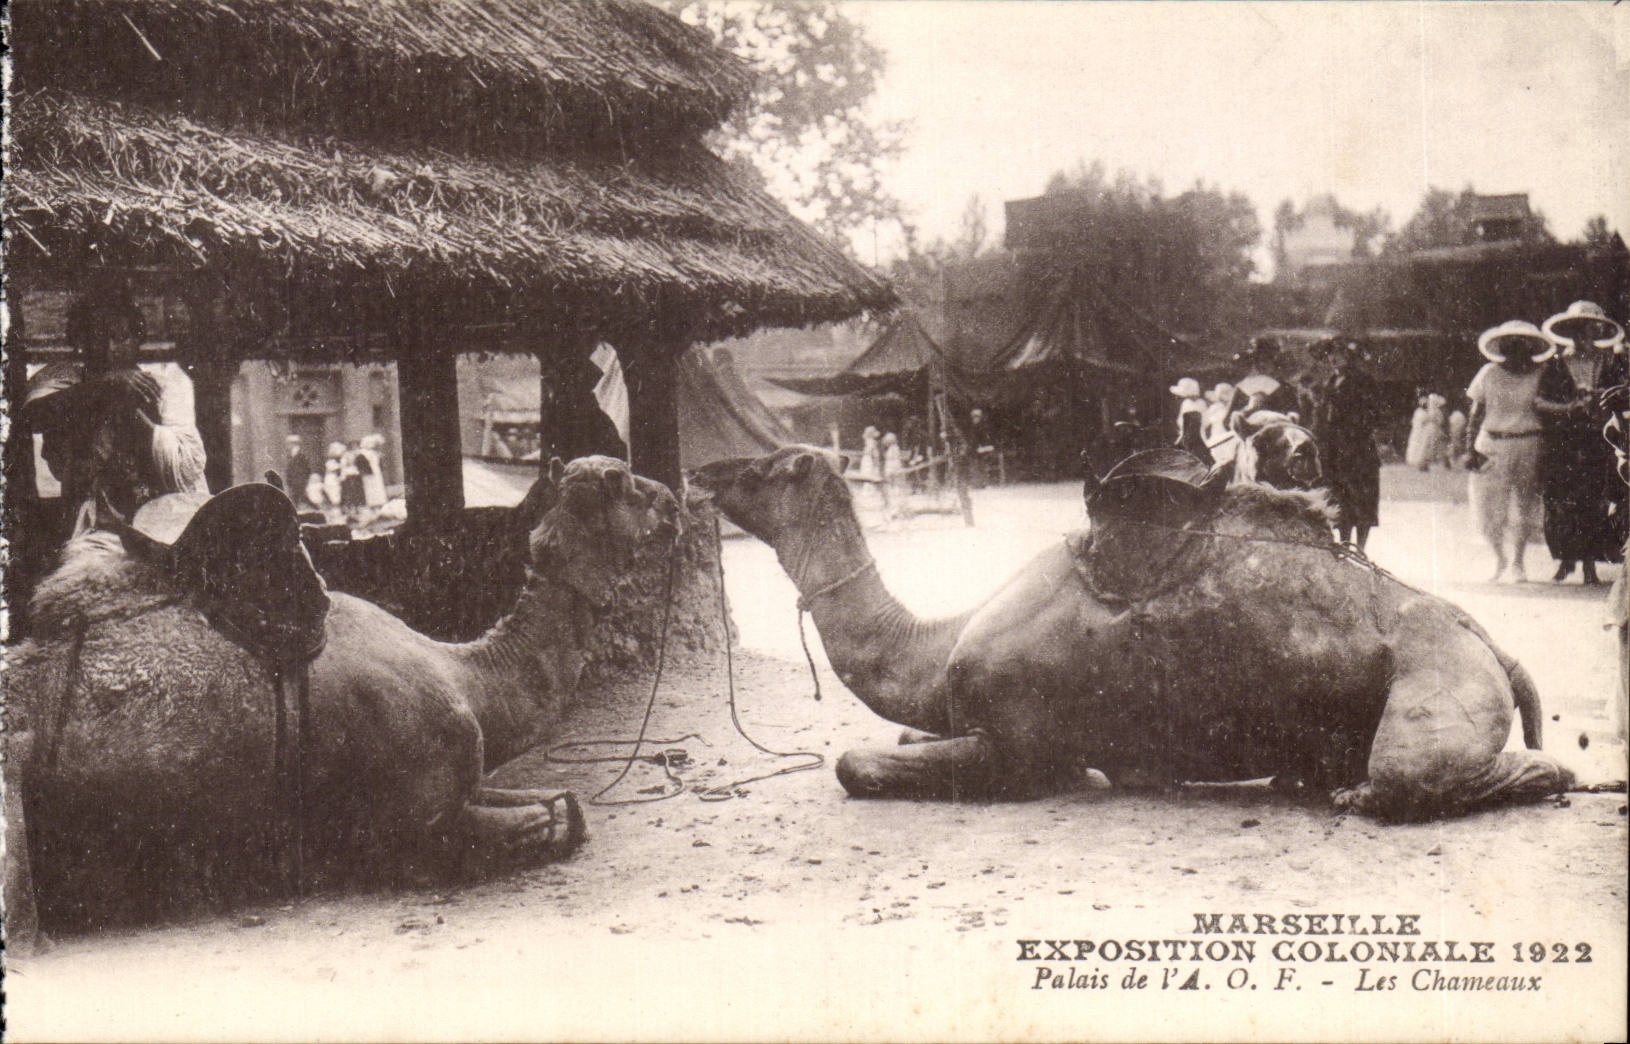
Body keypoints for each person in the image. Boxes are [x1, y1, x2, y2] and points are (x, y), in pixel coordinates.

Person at [21, 291, 208, 539]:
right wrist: (107, 387)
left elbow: (187, 464)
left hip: (164, 516)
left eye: (121, 338)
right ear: (81, 341)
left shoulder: (165, 387)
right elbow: (32, 417)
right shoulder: (61, 379)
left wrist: (131, 409)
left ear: (138, 339)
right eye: (98, 337)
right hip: (94, 521)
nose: (110, 348)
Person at [1537, 301, 1627, 583]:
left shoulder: (1611, 362)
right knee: (1562, 500)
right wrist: (1568, 408)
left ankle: (1590, 563)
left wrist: (1601, 396)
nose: (1585, 335)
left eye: (1590, 329)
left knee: (1594, 499)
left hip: (1600, 439)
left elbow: (1623, 394)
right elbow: (1539, 401)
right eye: (1580, 329)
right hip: (1565, 439)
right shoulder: (1556, 364)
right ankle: (1566, 560)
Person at [1465, 320, 1553, 583]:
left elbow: (1548, 412)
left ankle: (1518, 561)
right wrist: (1469, 448)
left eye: (1522, 344)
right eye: (1511, 344)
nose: (1516, 349)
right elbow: (1475, 412)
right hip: (1491, 444)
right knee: (1487, 507)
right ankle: (1498, 557)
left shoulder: (1542, 373)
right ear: (1502, 346)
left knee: (1525, 506)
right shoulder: (1488, 373)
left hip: (1529, 443)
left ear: (1531, 347)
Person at [1314, 338, 1383, 550]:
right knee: (1339, 497)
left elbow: (1374, 414)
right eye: (1331, 355)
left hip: (1357, 447)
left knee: (1361, 497)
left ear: (1351, 357)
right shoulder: (1330, 381)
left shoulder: (1363, 381)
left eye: (1340, 354)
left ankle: (1360, 548)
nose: (1334, 359)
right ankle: (1344, 543)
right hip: (1334, 448)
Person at [1405, 391, 1449, 471]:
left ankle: (1442, 462)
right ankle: (1424, 464)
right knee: (1424, 447)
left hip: (1431, 430)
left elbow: (1439, 420)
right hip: (1425, 431)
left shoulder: (1434, 411)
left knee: (1432, 447)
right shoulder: (1422, 412)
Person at [1169, 377, 1209, 462]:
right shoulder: (1201, 403)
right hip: (1201, 441)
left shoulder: (1188, 405)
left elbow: (1190, 433)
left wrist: (1178, 445)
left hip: (1193, 445)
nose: (1176, 397)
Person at [1202, 381, 1237, 463]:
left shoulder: (1216, 407)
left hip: (1223, 440)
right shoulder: (1218, 408)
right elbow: (1204, 424)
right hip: (1223, 441)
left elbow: (1204, 424)